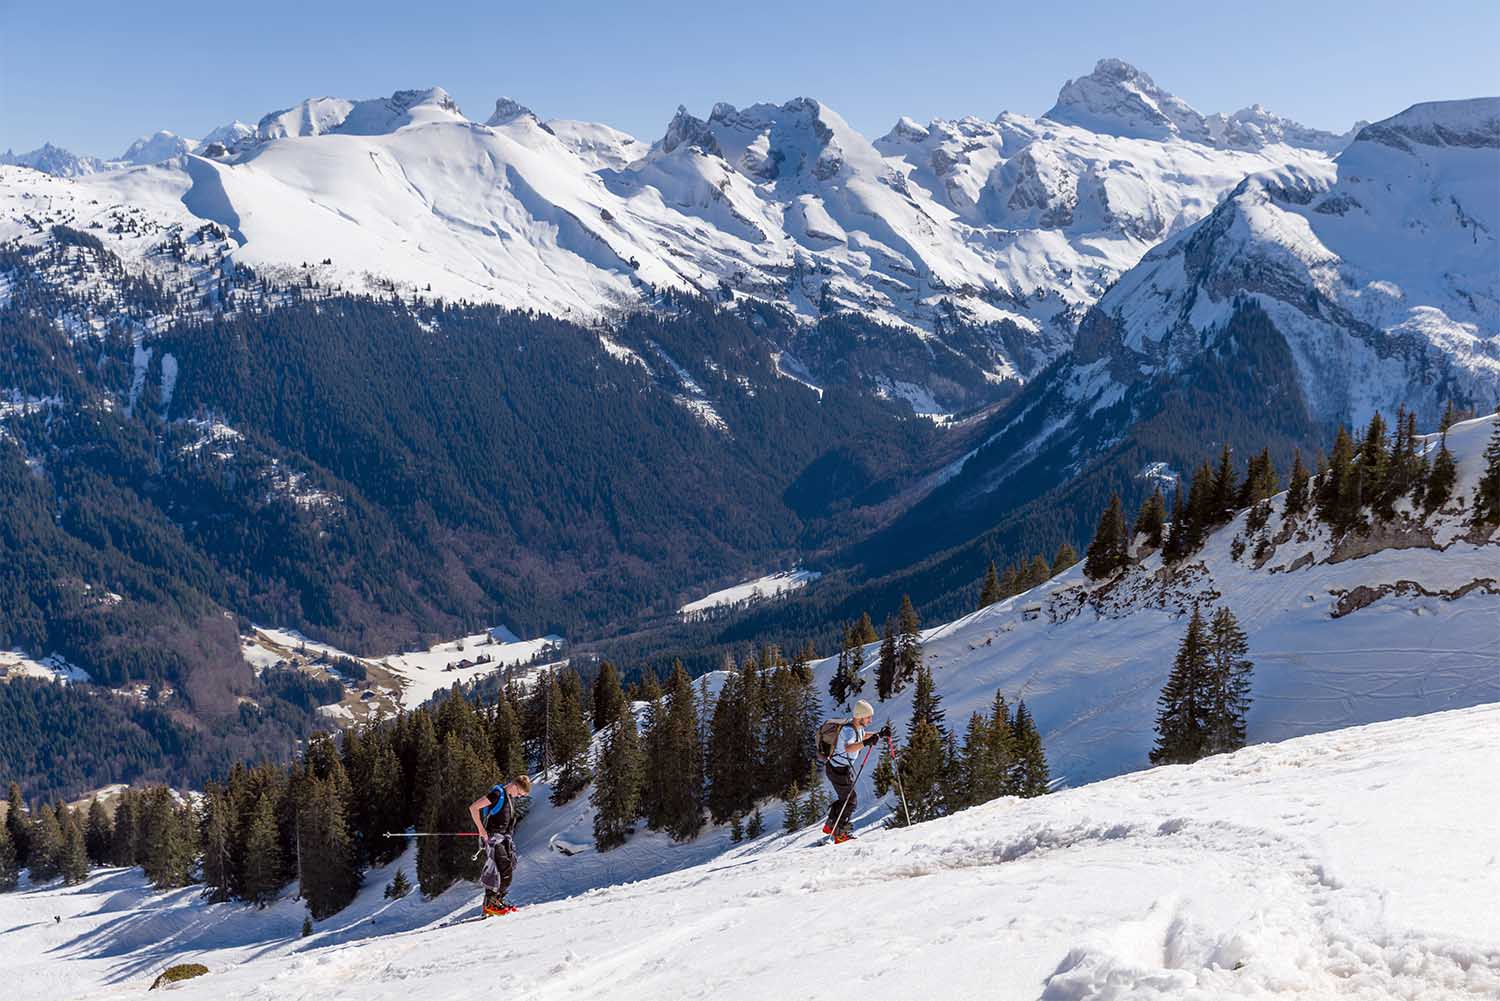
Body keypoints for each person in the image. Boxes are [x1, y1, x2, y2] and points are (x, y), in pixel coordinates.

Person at [823, 700, 887, 842]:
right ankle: (840, 834)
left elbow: (862, 735)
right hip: (838, 770)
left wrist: (879, 735)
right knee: (850, 802)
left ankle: (830, 826)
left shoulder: (856, 727)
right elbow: (849, 747)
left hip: (840, 769)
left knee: (846, 799)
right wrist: (867, 743)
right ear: (860, 716)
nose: (870, 720)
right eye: (868, 717)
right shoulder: (848, 730)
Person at [468, 774, 532, 916]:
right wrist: (481, 830)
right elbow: (473, 807)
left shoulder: (509, 797)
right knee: (502, 868)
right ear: (515, 786)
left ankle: (494, 902)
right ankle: (491, 903)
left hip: (504, 838)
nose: (519, 796)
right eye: (520, 793)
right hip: (493, 837)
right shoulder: (498, 794)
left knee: (505, 867)